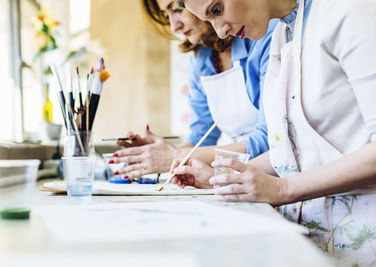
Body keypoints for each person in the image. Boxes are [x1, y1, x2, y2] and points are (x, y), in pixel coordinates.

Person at [172, 0, 376, 265]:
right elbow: (296, 146)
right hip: (317, 242)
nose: (220, 32)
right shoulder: (283, 30)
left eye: (217, 9)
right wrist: (222, 177)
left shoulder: (350, 10)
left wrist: (283, 189)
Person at [109, 0, 277, 179]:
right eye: (167, 15)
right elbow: (201, 138)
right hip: (243, 179)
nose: (174, 26)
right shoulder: (203, 58)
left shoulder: (264, 35)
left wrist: (173, 156)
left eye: (177, 9)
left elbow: (270, 139)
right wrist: (154, 154)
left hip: (275, 176)